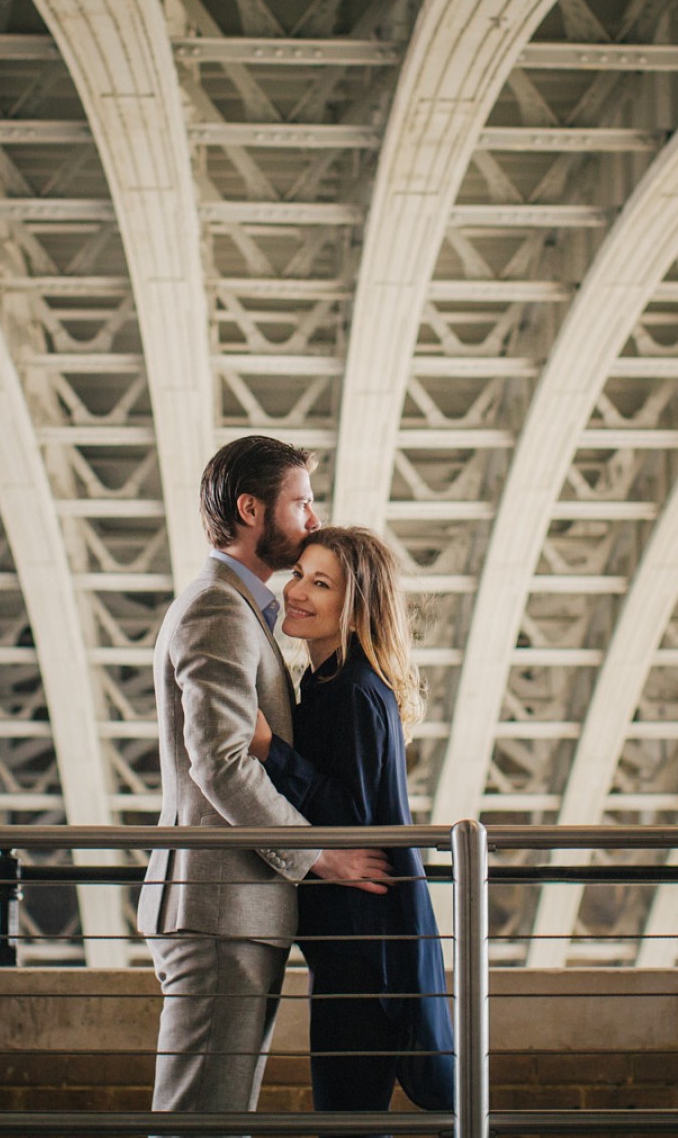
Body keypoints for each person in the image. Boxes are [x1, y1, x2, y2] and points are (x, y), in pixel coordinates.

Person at [137, 437, 392, 1121]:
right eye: (300, 503)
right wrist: (319, 856)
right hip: (222, 911)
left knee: (212, 1115)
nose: (313, 518)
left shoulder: (235, 608)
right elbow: (220, 762)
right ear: (252, 510)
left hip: (229, 909)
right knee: (202, 1120)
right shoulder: (218, 610)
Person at [248, 526, 455, 1123]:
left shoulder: (354, 690)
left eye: (321, 584)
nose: (296, 592)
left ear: (357, 608)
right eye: (298, 575)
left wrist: (269, 750)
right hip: (356, 938)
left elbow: (352, 817)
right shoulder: (329, 682)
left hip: (365, 947)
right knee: (349, 1114)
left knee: (347, 1117)